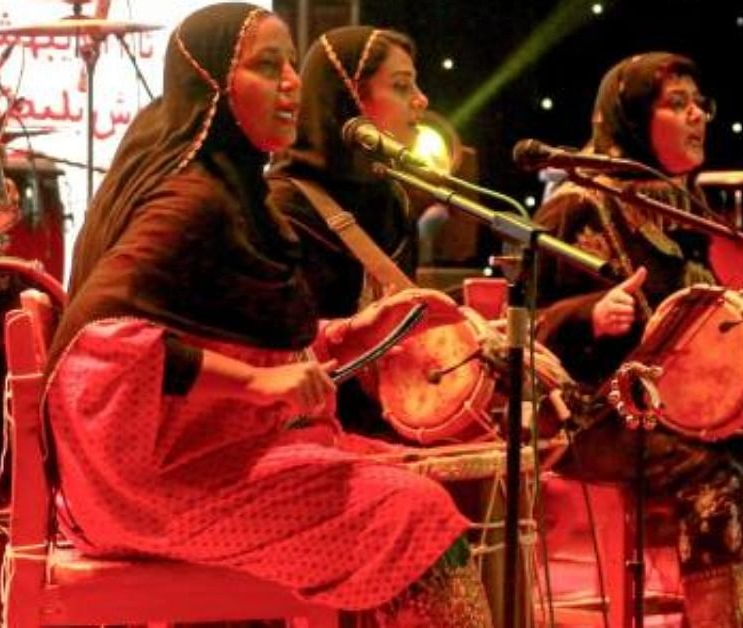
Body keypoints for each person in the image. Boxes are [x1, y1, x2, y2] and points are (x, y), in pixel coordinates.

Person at [43, 5, 489, 623]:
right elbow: (98, 349)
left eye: (290, 67)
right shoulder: (189, 202)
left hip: (200, 459)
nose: (290, 84)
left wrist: (348, 334)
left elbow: (231, 337)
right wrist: (255, 382)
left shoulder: (229, 188)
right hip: (154, 489)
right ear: (214, 84)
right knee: (411, 513)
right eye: (266, 66)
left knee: (394, 483)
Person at [534, 52, 743, 627]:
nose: (698, 116)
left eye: (700, 104)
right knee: (721, 474)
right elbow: (521, 320)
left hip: (677, 409)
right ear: (631, 118)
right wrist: (588, 313)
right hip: (592, 414)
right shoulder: (577, 202)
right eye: (676, 104)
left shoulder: (681, 207)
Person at [267, 26, 426, 437]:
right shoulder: (280, 207)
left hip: (401, 416)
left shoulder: (395, 201)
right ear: (348, 100)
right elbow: (274, 352)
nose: (420, 100)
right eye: (401, 85)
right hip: (307, 427)